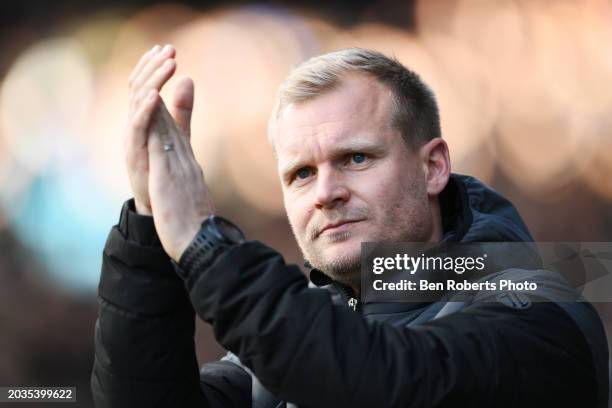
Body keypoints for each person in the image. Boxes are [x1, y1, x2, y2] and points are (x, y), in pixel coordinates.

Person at [91, 45, 608, 407]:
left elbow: (383, 380)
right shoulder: (275, 364)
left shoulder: (538, 309)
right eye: (301, 174)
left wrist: (206, 247)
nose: (326, 193)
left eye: (356, 158)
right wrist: (149, 226)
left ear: (433, 168)